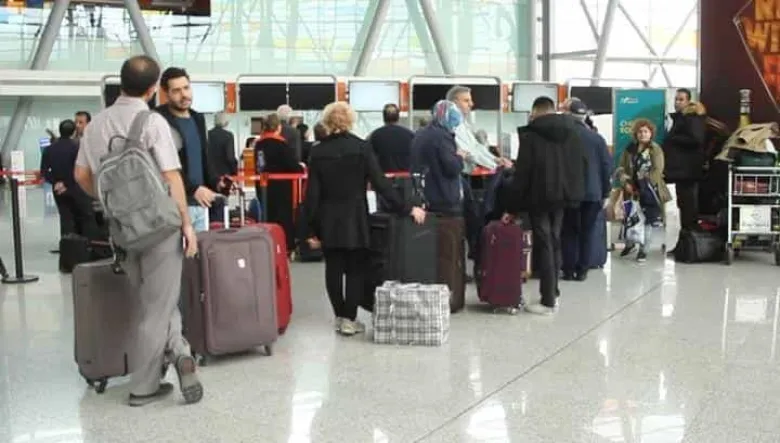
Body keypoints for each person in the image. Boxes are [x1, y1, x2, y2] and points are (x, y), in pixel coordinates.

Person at [73, 55, 203, 406]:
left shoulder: (95, 125)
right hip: (160, 226)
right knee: (157, 307)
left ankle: (180, 352)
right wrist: (186, 224)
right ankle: (144, 387)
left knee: (152, 302)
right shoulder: (152, 122)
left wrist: (112, 202)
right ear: (153, 89)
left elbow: (81, 175)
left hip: (123, 230)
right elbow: (171, 176)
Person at [303, 102, 426, 336]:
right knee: (356, 269)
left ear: (327, 121)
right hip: (355, 216)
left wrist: (309, 228)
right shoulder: (361, 147)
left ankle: (339, 316)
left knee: (333, 269)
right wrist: (406, 208)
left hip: (328, 218)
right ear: (350, 120)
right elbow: (381, 183)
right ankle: (350, 319)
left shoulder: (317, 152)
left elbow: (312, 195)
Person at [502, 96, 586, 316]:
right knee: (555, 240)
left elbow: (523, 175)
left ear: (535, 112)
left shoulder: (531, 135)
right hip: (564, 196)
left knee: (545, 244)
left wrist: (512, 208)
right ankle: (553, 293)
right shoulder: (572, 131)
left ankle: (547, 300)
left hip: (538, 196)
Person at [155, 67, 221, 232]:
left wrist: (217, 182)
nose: (184, 94)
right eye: (176, 91)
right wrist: (193, 189)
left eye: (186, 88)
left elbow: (203, 157)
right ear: (166, 93)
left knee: (201, 248)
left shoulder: (198, 118)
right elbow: (163, 164)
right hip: (173, 206)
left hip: (200, 203)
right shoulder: (157, 119)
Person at [560, 100, 611, 281]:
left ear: (568, 114)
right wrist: (606, 192)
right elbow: (606, 167)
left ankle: (568, 269)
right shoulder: (597, 139)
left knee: (569, 231)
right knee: (587, 232)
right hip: (593, 193)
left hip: (569, 193)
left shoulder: (562, 138)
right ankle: (582, 270)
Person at [617, 119, 672, 262]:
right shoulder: (630, 149)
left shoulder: (655, 149)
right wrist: (625, 182)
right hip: (630, 189)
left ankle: (644, 250)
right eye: (640, 132)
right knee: (630, 217)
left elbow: (657, 170)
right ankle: (630, 244)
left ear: (651, 133)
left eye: (646, 131)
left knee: (647, 220)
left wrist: (642, 186)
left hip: (649, 190)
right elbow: (621, 167)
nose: (643, 134)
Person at [40, 119, 98, 240]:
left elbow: (44, 172)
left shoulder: (49, 149)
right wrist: (66, 183)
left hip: (58, 189)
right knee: (85, 216)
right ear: (73, 132)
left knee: (65, 217)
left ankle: (67, 244)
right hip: (76, 187)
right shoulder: (77, 147)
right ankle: (87, 244)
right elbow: (78, 169)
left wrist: (56, 183)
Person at [254, 113, 304, 252]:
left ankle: (269, 246)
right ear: (278, 127)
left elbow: (259, 166)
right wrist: (301, 168)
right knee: (284, 218)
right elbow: (293, 166)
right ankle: (285, 246)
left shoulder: (259, 144)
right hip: (282, 188)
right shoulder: (281, 144)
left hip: (265, 187)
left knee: (268, 216)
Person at [410, 100, 468, 214]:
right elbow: (452, 167)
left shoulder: (420, 134)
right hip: (443, 197)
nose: (454, 126)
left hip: (424, 195)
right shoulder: (443, 137)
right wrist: (460, 157)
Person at [663, 88, 706, 231]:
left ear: (688, 101)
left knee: (688, 205)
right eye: (676, 99)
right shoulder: (682, 118)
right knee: (683, 204)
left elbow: (696, 139)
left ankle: (690, 235)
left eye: (681, 99)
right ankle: (686, 235)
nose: (677, 102)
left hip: (687, 170)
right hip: (682, 171)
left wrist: (673, 139)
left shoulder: (692, 117)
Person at [368, 103, 415, 173]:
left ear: (384, 118)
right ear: (398, 117)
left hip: (382, 177)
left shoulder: (374, 135)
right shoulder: (410, 135)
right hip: (405, 177)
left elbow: (369, 159)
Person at [207, 112, 238, 184]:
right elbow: (230, 157)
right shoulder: (228, 135)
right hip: (225, 174)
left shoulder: (207, 134)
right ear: (226, 122)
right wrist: (234, 171)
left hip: (210, 174)